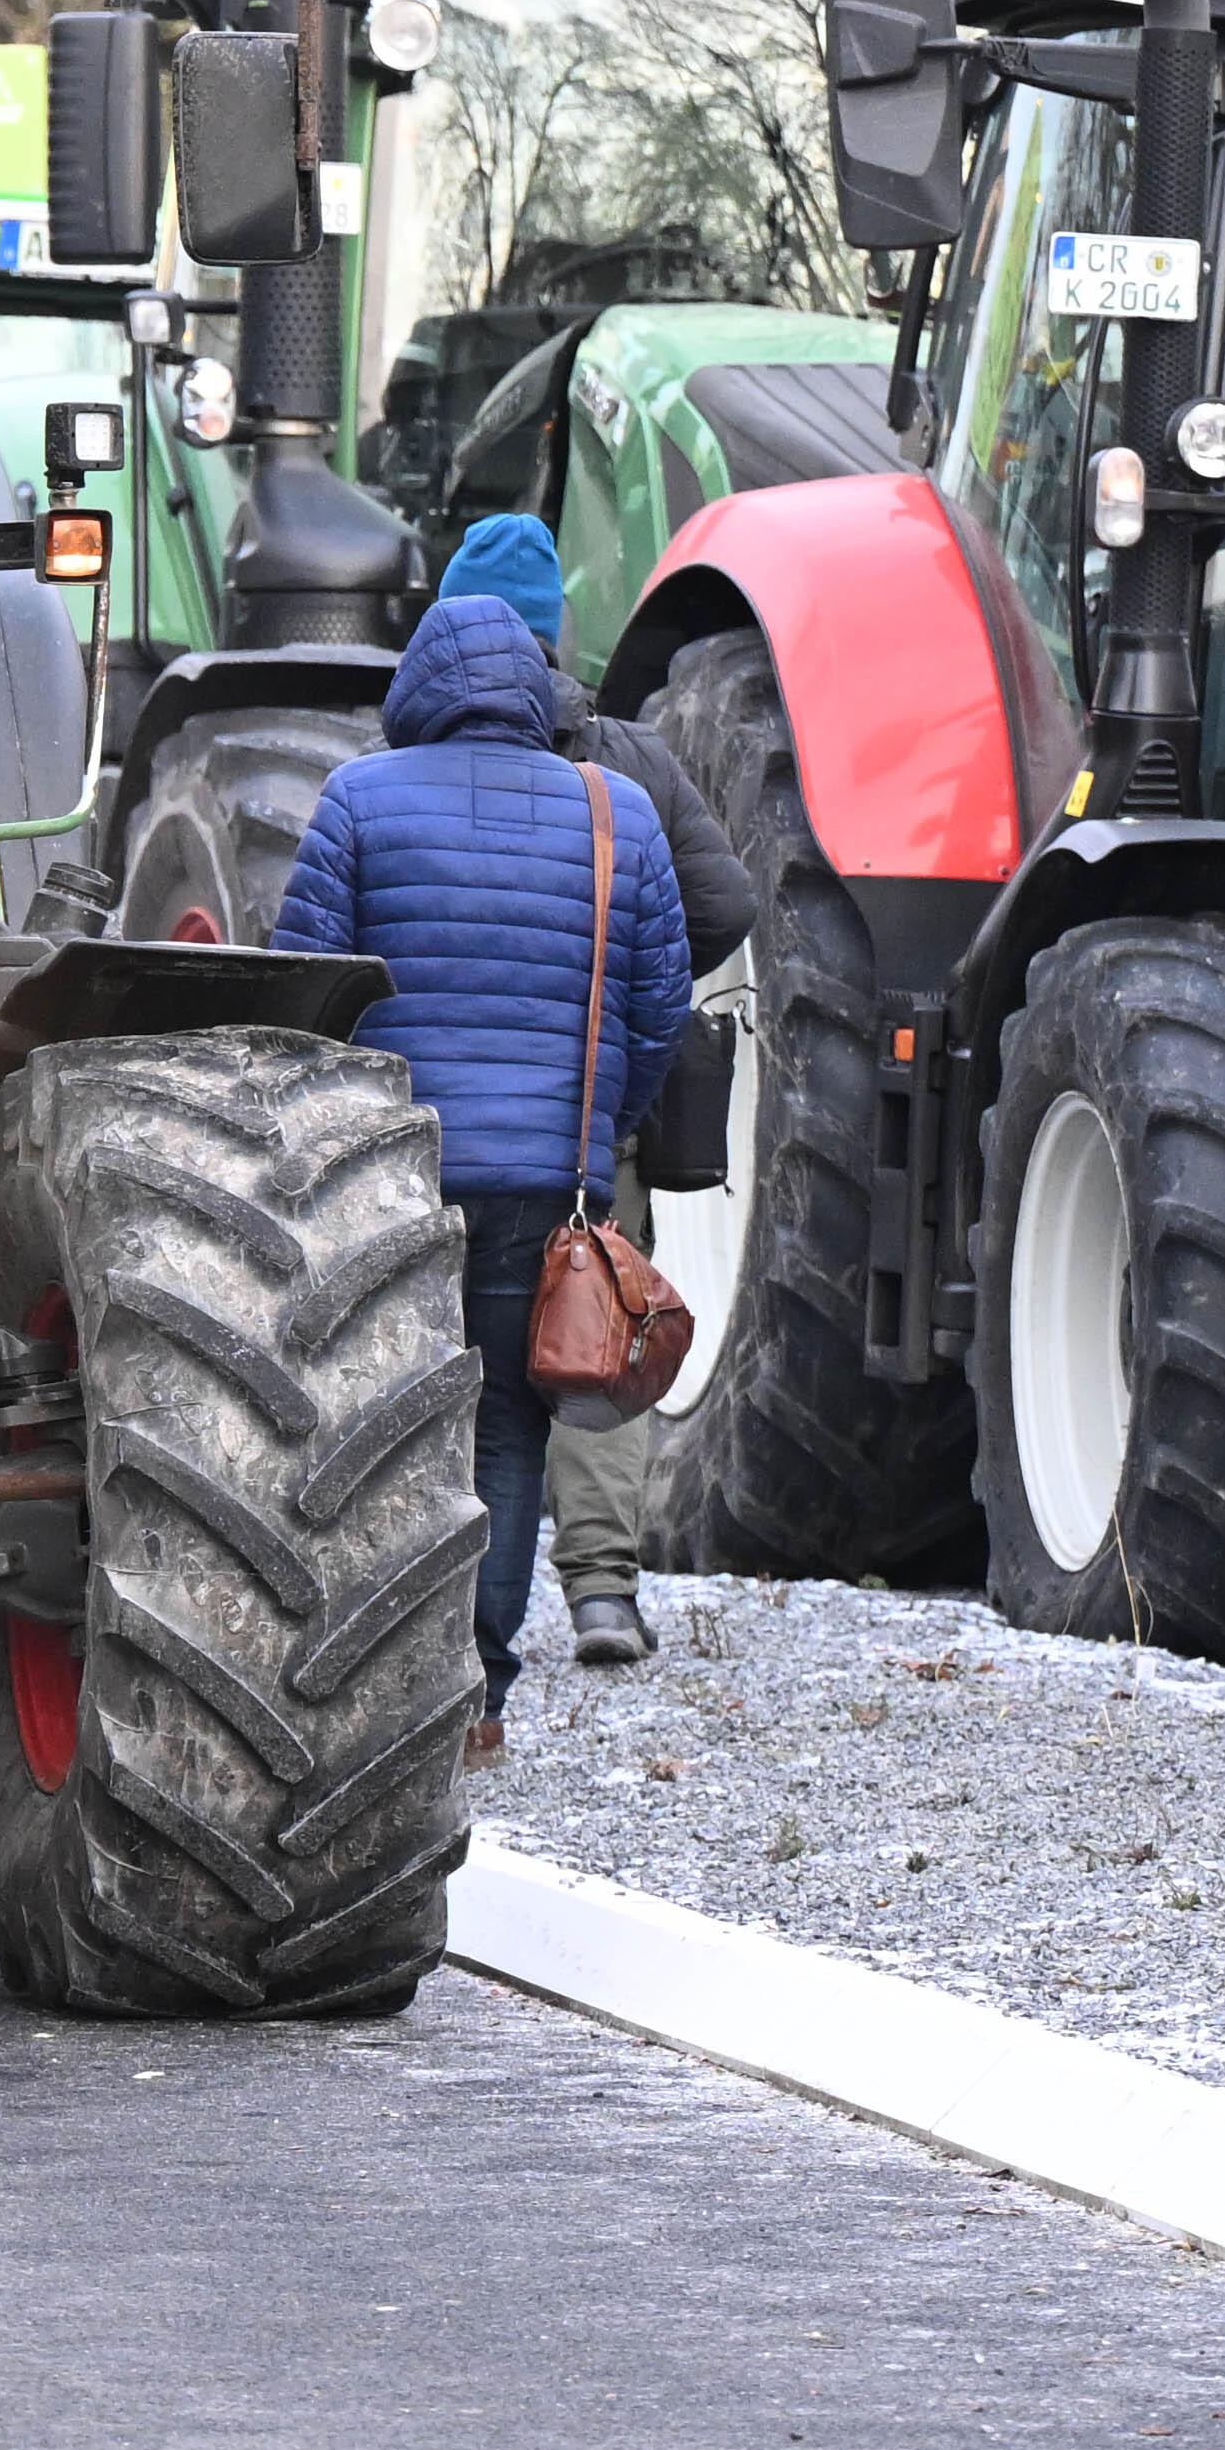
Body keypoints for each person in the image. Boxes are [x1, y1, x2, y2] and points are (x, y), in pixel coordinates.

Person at [265, 582, 693, 1767]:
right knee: (507, 1432)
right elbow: (661, 1010)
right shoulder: (618, 815)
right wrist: (598, 1123)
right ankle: (475, 1700)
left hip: (384, 1181)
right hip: (548, 1193)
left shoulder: (357, 798)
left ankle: (356, 1692)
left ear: (420, 692)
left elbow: (302, 1000)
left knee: (370, 1434)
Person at [436, 508, 742, 1677]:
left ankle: (442, 1618)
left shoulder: (402, 760)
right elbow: (723, 911)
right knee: (594, 1326)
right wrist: (621, 1037)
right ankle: (604, 1590)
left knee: (456, 1367)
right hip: (593, 1114)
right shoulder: (627, 757)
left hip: (439, 1123)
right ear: (556, 638)